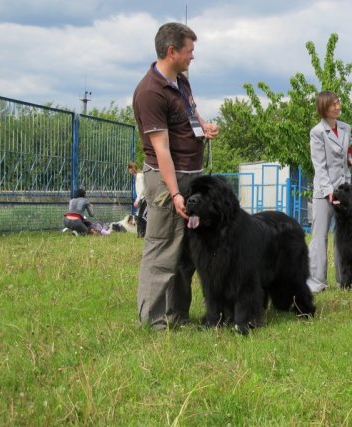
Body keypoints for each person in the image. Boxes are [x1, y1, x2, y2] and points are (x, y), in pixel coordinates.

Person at [133, 22, 219, 330]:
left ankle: (177, 316)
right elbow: (162, 151)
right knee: (162, 249)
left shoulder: (181, 82)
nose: (192, 56)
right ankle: (152, 322)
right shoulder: (149, 92)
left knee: (185, 253)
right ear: (172, 51)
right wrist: (176, 193)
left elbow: (191, 112)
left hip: (191, 176)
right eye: (189, 51)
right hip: (167, 179)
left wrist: (204, 126)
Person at [306, 91, 352, 293]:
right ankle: (316, 281)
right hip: (324, 192)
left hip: (345, 190)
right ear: (323, 107)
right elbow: (319, 165)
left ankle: (344, 280)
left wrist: (350, 159)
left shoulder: (346, 128)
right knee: (320, 236)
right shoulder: (317, 132)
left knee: (343, 235)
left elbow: (346, 154)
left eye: (338, 103)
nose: (338, 106)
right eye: (333, 104)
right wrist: (329, 191)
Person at [128, 162, 147, 237]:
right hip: (142, 198)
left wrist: (137, 200)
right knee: (141, 216)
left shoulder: (139, 176)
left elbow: (142, 189)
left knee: (141, 217)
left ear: (131, 169)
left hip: (143, 198)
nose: (129, 171)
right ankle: (141, 234)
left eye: (129, 169)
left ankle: (141, 234)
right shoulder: (139, 175)